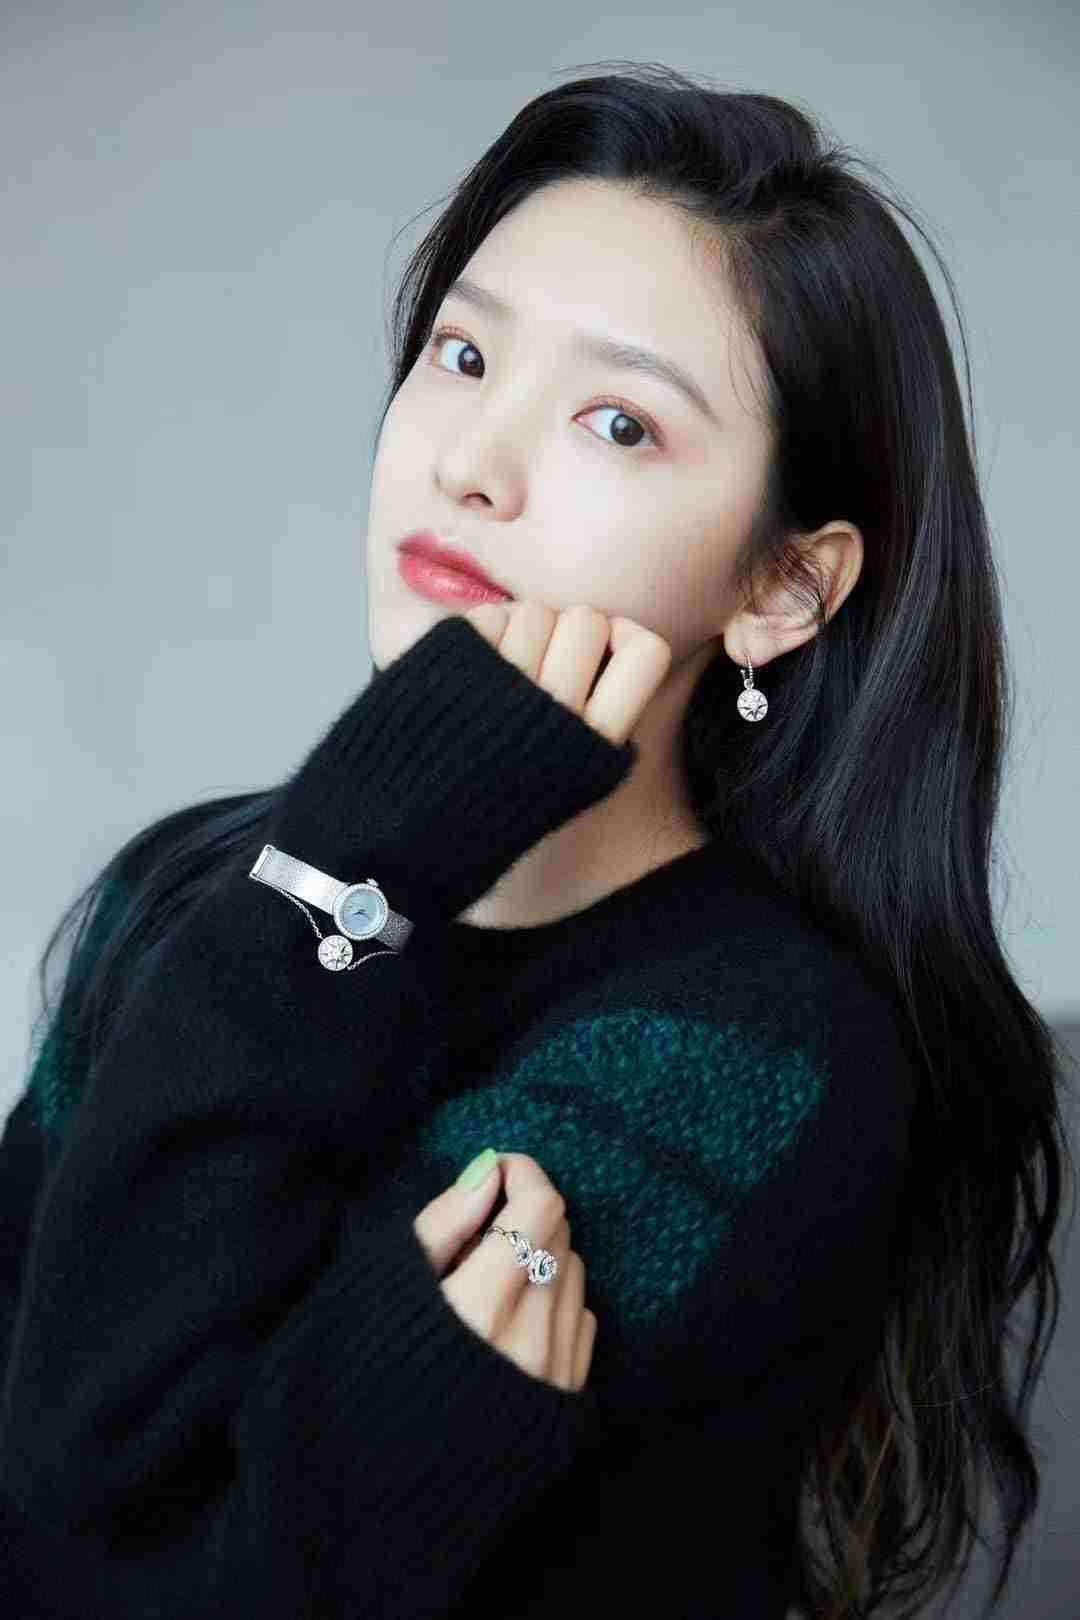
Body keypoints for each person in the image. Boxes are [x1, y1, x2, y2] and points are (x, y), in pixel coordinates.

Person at [1, 61, 1073, 1620]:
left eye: (618, 423)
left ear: (784, 587)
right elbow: (46, 1483)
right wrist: (344, 863)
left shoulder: (755, 1047)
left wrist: (341, 866)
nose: (471, 463)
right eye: (463, 354)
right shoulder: (199, 894)